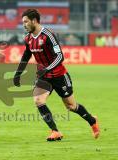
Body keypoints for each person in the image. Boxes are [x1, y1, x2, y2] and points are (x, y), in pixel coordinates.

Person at [13, 9, 100, 141]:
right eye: (23, 22)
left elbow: (60, 56)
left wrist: (47, 69)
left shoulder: (48, 35)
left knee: (71, 106)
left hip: (59, 75)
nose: (24, 24)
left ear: (34, 21)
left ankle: (92, 120)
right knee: (38, 100)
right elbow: (26, 55)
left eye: (26, 22)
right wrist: (18, 74)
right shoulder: (28, 38)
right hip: (43, 76)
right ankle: (55, 131)